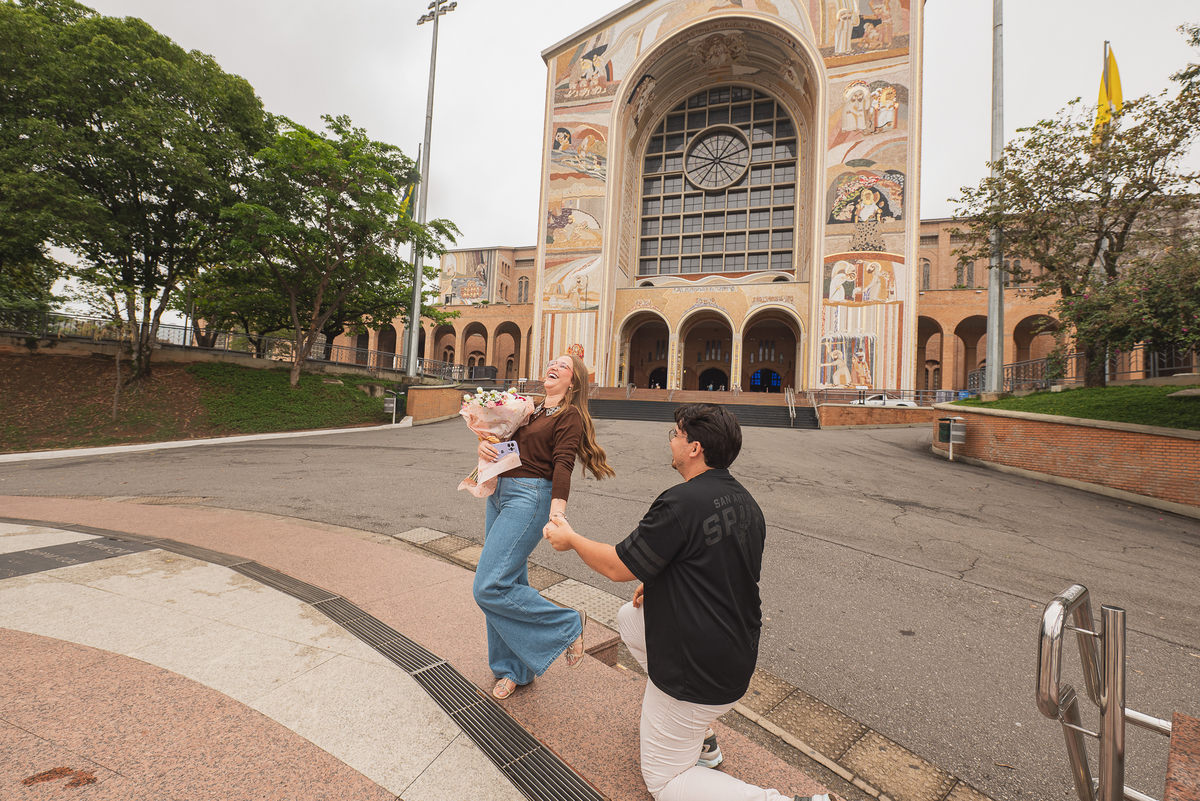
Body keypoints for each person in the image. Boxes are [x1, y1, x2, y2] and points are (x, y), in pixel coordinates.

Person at [543, 404, 834, 801]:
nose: (672, 441)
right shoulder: (746, 502)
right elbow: (716, 567)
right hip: (736, 653)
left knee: (665, 782)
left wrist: (571, 539)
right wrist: (658, 580)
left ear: (694, 447)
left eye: (675, 435)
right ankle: (700, 732)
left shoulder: (680, 502)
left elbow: (615, 566)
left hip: (697, 671)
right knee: (631, 618)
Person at [475, 353, 615, 700]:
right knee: (509, 580)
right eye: (553, 361)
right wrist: (485, 444)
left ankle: (566, 624)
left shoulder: (570, 416)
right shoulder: (529, 409)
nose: (554, 365)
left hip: (529, 498)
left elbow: (562, 465)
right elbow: (503, 444)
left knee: (489, 585)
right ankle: (513, 669)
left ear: (574, 382)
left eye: (564, 366)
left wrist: (558, 514)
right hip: (500, 492)